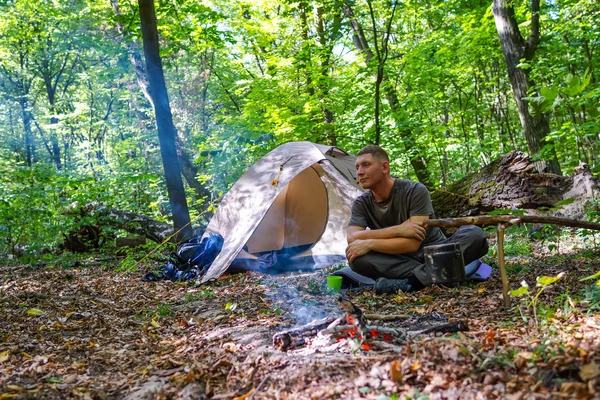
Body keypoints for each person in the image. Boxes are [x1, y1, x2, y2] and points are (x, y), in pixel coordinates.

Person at [346, 145, 489, 293]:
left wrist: (368, 241)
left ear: (384, 167)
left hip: (434, 252)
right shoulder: (361, 203)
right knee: (356, 257)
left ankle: (412, 283)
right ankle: (443, 275)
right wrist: (395, 231)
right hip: (399, 260)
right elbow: (352, 238)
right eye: (357, 168)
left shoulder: (415, 190)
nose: (359, 172)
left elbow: (412, 244)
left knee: (474, 234)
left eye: (366, 165)